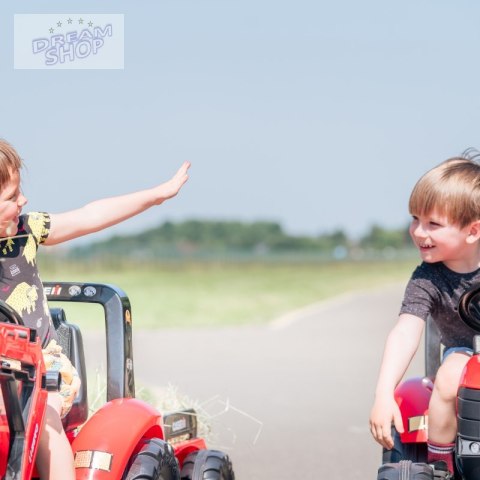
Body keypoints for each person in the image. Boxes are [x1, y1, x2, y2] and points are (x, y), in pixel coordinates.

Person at [0, 139, 190, 479]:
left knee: (39, 417)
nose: (24, 200)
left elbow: (91, 215)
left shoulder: (28, 231)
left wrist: (155, 195)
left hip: (43, 367)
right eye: (13, 197)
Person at [369, 153, 480, 476]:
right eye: (415, 219)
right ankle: (441, 464)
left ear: (473, 231)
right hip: (464, 355)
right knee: (448, 375)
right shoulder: (427, 278)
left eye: (433, 224)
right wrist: (383, 393)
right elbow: (406, 330)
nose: (418, 232)